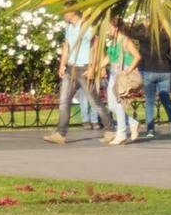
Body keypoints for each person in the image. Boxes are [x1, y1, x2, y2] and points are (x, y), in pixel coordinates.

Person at [44, 11, 113, 145]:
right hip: (71, 68)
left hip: (85, 68)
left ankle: (110, 130)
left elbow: (96, 46)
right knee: (64, 100)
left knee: (94, 102)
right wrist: (62, 64)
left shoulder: (87, 26)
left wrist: (94, 67)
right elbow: (66, 46)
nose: (63, 15)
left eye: (65, 12)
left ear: (72, 12)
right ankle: (60, 133)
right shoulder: (69, 27)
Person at [135, 22, 171, 140]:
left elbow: (131, 32)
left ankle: (150, 129)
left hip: (149, 70)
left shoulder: (145, 35)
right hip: (164, 71)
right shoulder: (166, 35)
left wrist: (142, 25)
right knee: (166, 101)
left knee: (150, 102)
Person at [101, 19, 141, 145]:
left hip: (122, 74)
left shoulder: (125, 40)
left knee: (118, 103)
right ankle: (133, 124)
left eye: (109, 28)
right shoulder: (113, 41)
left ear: (116, 28)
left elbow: (137, 56)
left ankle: (121, 134)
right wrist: (96, 68)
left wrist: (128, 70)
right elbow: (109, 57)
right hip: (113, 73)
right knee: (112, 105)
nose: (107, 30)